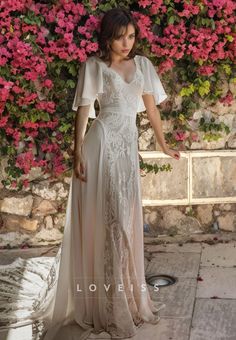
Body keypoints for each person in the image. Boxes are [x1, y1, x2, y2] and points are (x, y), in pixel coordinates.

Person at [42, 7, 180, 340]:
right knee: (111, 222)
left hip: (126, 153)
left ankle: (126, 299)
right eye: (120, 37)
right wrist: (77, 152)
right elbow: (85, 111)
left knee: (125, 220)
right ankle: (107, 304)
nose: (127, 43)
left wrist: (162, 145)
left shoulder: (143, 65)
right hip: (100, 147)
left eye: (131, 36)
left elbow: (150, 109)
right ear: (108, 37)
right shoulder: (94, 66)